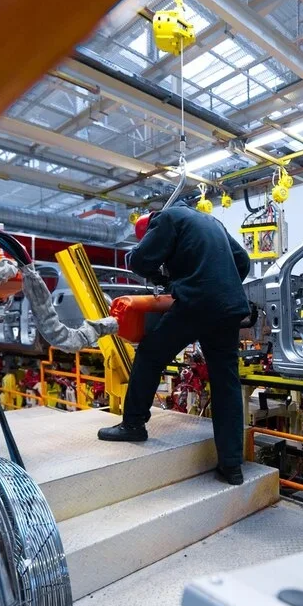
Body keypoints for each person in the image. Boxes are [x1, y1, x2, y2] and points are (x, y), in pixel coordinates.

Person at [98, 205, 252, 486]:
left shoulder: (165, 219)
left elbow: (140, 262)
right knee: (225, 382)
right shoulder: (210, 221)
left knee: (150, 355)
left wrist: (164, 277)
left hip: (196, 303)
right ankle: (231, 466)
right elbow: (243, 261)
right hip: (229, 306)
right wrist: (217, 286)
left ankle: (133, 424)